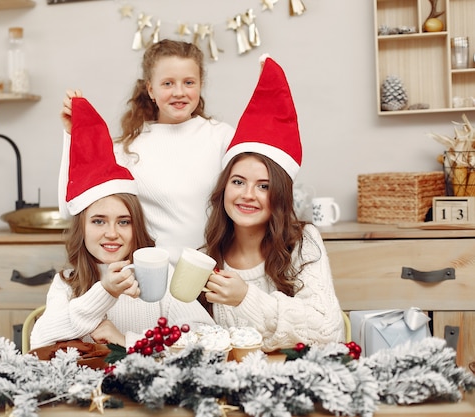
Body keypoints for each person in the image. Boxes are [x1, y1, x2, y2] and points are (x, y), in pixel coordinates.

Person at [31, 97, 214, 351]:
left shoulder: (160, 277)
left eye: (124, 222)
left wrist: (128, 341)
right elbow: (39, 341)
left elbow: (206, 337)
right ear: (81, 228)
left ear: (135, 226)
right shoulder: (67, 284)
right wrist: (105, 292)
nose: (112, 234)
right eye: (98, 221)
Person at [200, 55, 345, 352]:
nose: (247, 194)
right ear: (224, 187)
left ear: (279, 195)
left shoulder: (303, 243)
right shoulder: (209, 256)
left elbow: (328, 331)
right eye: (238, 181)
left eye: (263, 186)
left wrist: (246, 299)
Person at [59, 39, 235, 266]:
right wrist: (72, 136)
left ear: (200, 85)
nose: (179, 92)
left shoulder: (222, 138)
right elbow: (68, 209)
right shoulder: (127, 149)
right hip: (152, 280)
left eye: (189, 82)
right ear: (151, 89)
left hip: (213, 274)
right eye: (168, 83)